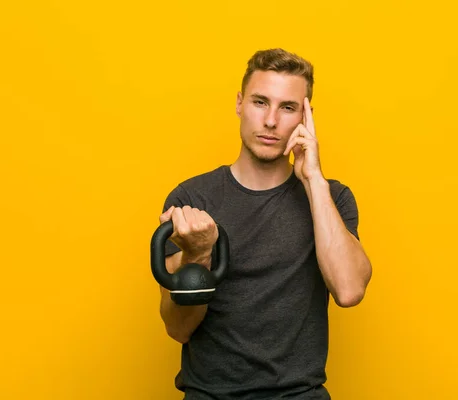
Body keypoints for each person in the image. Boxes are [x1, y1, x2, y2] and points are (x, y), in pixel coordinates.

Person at [157, 48, 372, 399]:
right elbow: (178, 328)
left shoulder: (332, 198)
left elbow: (349, 291)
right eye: (260, 102)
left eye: (287, 107)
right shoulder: (192, 199)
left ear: (305, 117)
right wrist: (197, 255)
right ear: (240, 103)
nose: (271, 121)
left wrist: (314, 179)